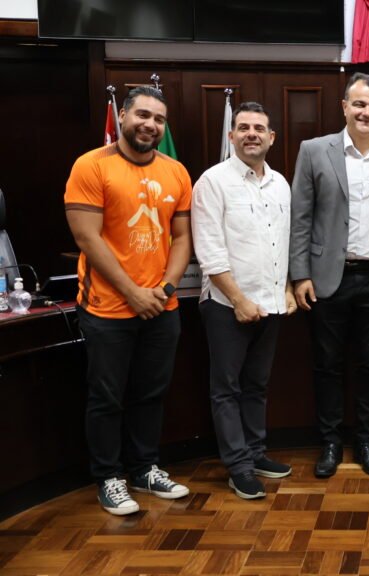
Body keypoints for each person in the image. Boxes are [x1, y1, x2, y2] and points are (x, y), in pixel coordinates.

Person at [65, 86, 192, 515]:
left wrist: (167, 288)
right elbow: (87, 237)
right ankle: (109, 476)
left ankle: (144, 468)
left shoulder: (176, 171)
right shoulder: (91, 165)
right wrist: (133, 293)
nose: (150, 124)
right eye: (142, 114)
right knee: (107, 397)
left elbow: (182, 237)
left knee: (150, 394)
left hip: (162, 308)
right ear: (122, 116)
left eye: (158, 119)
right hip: (106, 309)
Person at [290, 73, 369, 478]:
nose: (367, 112)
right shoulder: (314, 150)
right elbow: (300, 217)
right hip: (327, 277)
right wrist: (299, 274)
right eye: (360, 104)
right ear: (344, 106)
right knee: (327, 364)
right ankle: (329, 442)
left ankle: (364, 441)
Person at [192, 102, 297, 500]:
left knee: (257, 385)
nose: (252, 133)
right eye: (244, 127)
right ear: (232, 136)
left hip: (270, 303)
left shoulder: (280, 183)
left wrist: (285, 288)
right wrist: (237, 299)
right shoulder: (212, 182)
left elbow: (282, 243)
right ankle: (238, 466)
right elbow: (210, 252)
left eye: (260, 127)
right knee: (227, 389)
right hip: (226, 305)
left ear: (271, 138)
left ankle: (255, 453)